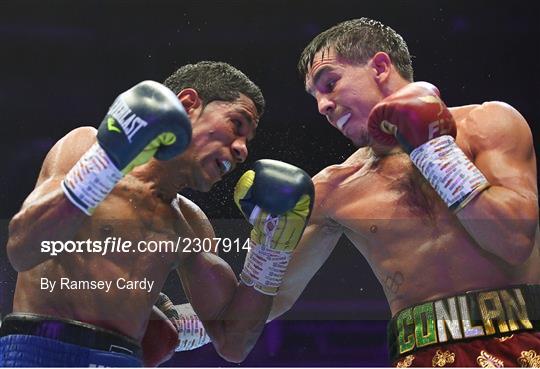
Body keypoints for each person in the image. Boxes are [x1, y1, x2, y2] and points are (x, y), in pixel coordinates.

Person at [2, 61, 314, 367]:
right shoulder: (85, 147)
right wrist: (105, 165)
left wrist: (270, 252)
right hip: (40, 353)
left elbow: (233, 342)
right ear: (189, 103)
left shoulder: (189, 225)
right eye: (237, 125)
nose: (242, 149)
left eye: (247, 140)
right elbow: (22, 249)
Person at [269, 18, 540, 367]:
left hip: (523, 345)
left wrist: (433, 150)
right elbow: (271, 298)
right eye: (316, 96)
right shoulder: (333, 187)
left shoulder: (486, 124)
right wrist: (181, 324)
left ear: (380, 66)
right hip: (418, 357)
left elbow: (514, 241)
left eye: (330, 84)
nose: (322, 105)